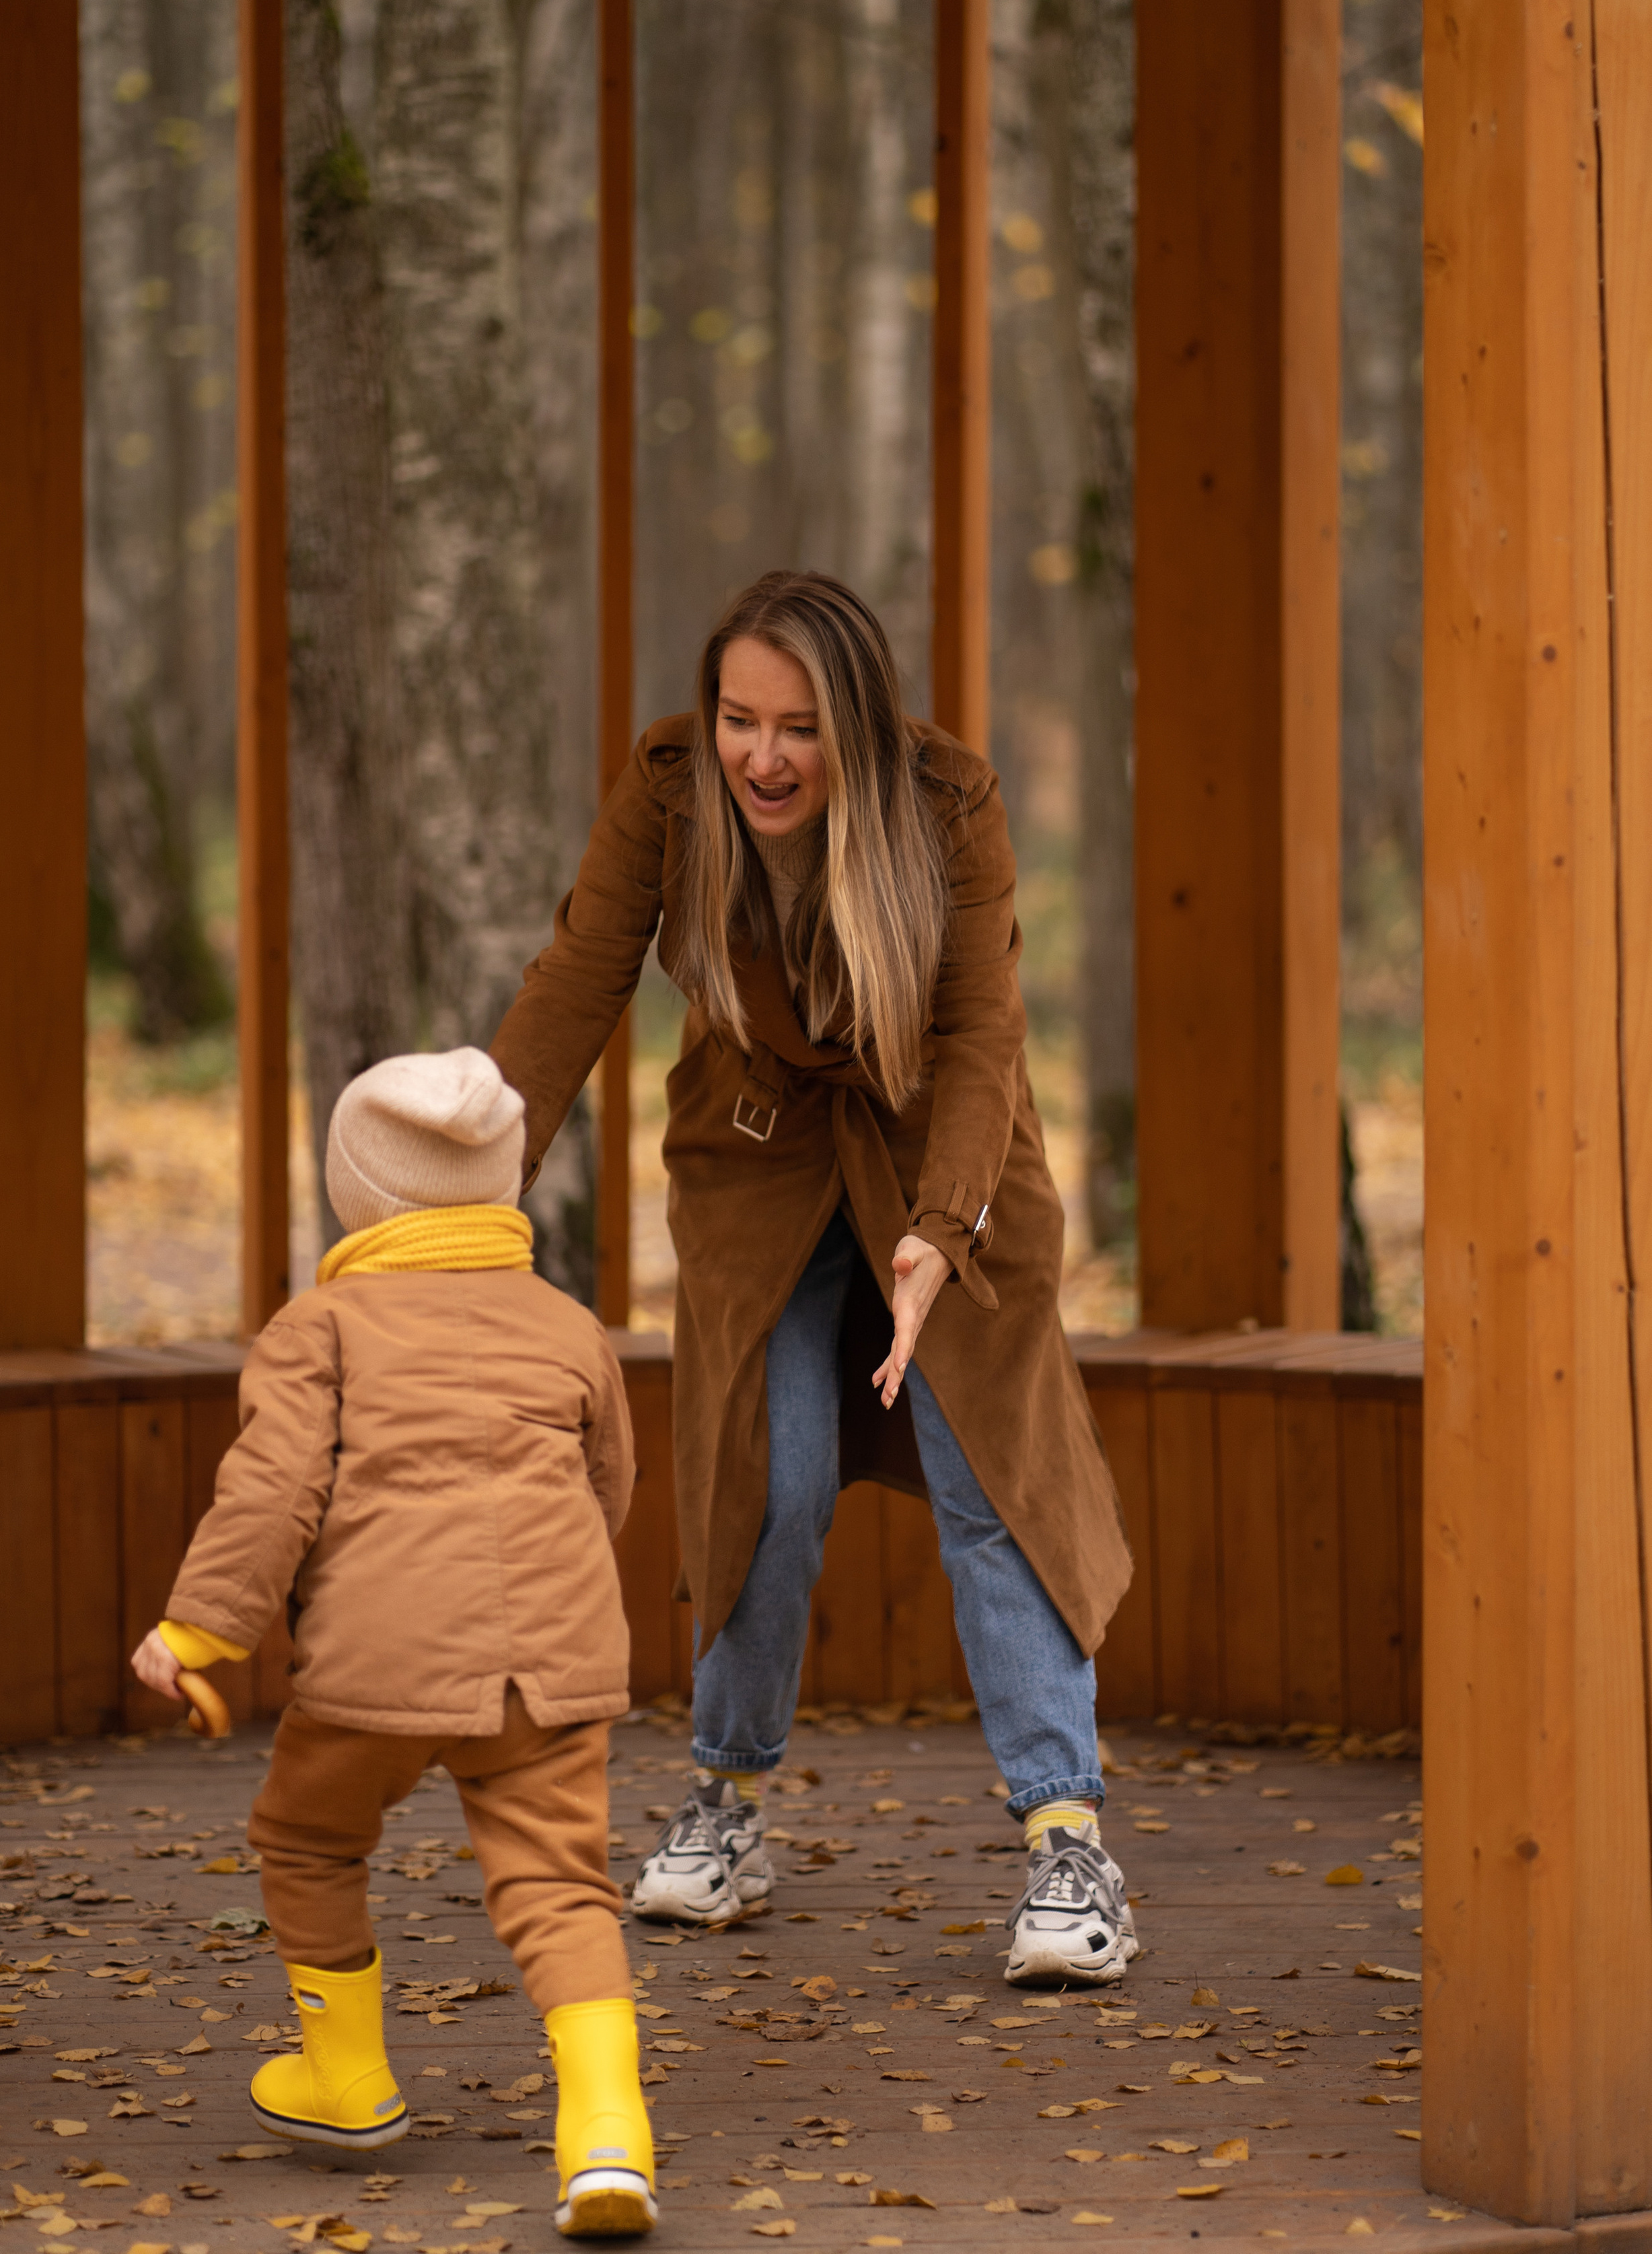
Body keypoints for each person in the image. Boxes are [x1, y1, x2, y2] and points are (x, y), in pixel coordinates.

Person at [492, 570, 1138, 1987]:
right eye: (738, 719)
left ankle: (1064, 1843)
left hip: (942, 1157)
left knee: (993, 1482)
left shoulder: (947, 804)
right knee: (762, 1474)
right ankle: (722, 1805)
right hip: (756, 1157)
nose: (762, 757)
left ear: (855, 722)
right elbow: (571, 986)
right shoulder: (670, 796)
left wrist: (939, 1231)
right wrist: (468, 1173)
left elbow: (979, 1034)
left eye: (796, 727)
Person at [130, 1047, 657, 2241]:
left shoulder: (320, 1327)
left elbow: (269, 1496)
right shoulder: (567, 1325)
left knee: (308, 1837)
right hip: (555, 1665)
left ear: (357, 1196)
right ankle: (609, 2135)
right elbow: (608, 1487)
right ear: (504, 1189)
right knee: (564, 1887)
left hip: (377, 1669)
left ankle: (349, 2082)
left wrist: (198, 1630)